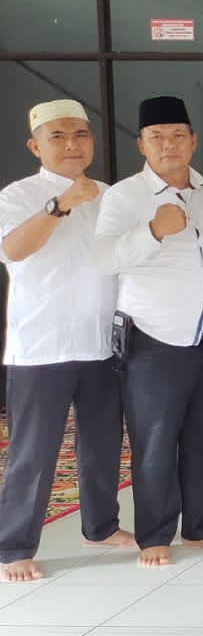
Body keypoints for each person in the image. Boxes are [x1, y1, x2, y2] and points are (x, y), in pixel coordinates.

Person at [92, 95, 203, 568]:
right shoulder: (124, 197)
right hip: (153, 339)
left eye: (177, 135)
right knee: (155, 441)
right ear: (142, 145)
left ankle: (201, 528)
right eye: (157, 137)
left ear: (193, 141)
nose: (168, 145)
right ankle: (154, 535)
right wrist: (152, 231)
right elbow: (102, 258)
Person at [0, 99, 133, 581]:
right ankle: (14, 546)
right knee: (34, 452)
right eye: (58, 136)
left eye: (80, 134)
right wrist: (59, 206)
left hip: (101, 343)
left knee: (102, 445)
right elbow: (12, 249)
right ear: (36, 146)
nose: (72, 144)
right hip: (43, 346)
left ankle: (100, 527)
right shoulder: (18, 195)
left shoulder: (110, 196)